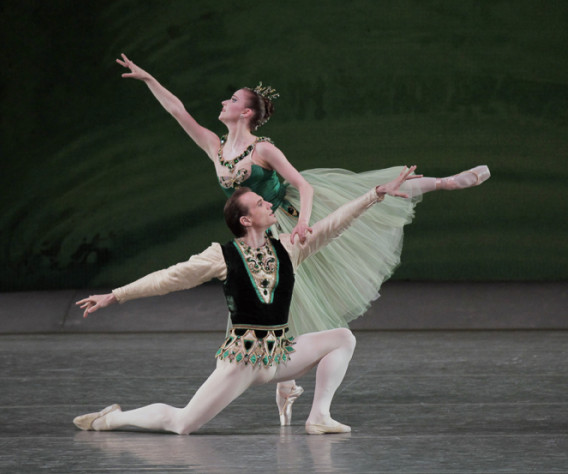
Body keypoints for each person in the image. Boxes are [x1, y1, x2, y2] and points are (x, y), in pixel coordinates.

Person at [115, 54, 491, 424]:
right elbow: (178, 111)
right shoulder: (215, 147)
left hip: (287, 216)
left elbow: (303, 185)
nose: (223, 102)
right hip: (260, 228)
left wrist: (303, 224)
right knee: (281, 299)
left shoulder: (262, 149)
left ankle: (443, 181)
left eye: (231, 100)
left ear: (245, 113)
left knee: (363, 195)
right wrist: (150, 80)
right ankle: (286, 384)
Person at [73, 167, 418, 435]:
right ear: (246, 220)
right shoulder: (221, 256)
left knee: (342, 338)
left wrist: (375, 194)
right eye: (260, 203)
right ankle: (112, 420)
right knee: (182, 424)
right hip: (243, 360)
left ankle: (319, 416)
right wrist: (115, 295)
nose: (270, 204)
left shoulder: (288, 247)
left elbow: (332, 226)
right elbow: (168, 278)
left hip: (279, 356)